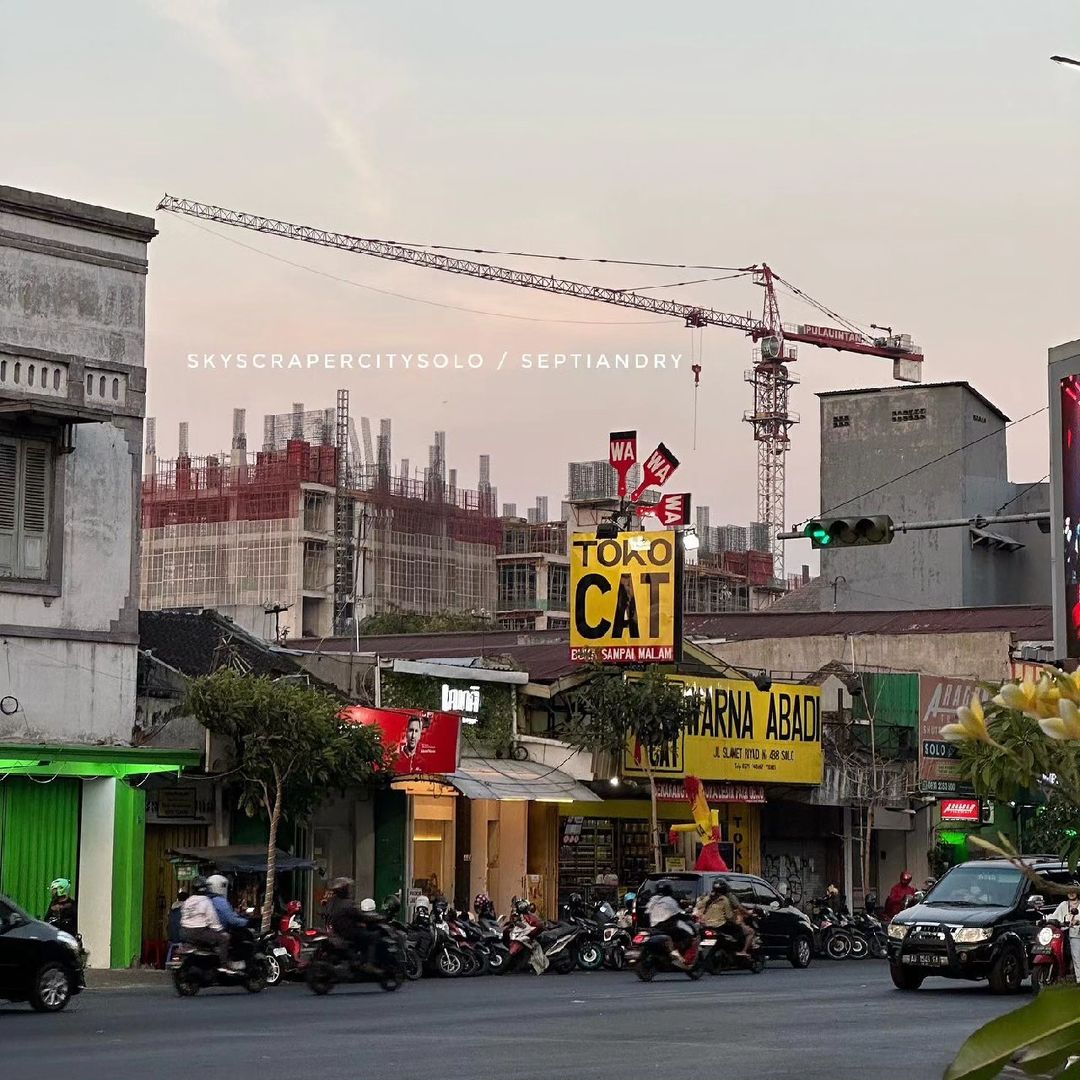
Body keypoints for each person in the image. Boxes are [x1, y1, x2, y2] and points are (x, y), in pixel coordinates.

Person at [179, 877, 230, 971]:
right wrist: (221, 930)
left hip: (184, 932)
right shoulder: (206, 901)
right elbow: (213, 919)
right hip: (199, 932)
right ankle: (223, 965)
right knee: (224, 938)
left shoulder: (188, 901)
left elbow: (183, 916)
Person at [695, 880, 753, 958]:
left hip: (705, 924)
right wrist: (736, 920)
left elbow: (698, 907)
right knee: (742, 931)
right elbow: (730, 916)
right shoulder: (725, 899)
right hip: (719, 924)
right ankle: (740, 951)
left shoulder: (707, 897)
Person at [205, 874, 252, 970]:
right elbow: (231, 919)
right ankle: (234, 963)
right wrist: (246, 922)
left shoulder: (204, 899)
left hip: (205, 931)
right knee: (243, 942)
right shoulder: (220, 901)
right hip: (219, 931)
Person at [644, 882, 693, 966]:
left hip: (653, 927)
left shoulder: (653, 899)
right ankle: (676, 953)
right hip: (665, 927)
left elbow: (646, 912)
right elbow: (679, 913)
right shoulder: (669, 900)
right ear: (669, 890)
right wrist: (688, 916)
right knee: (686, 934)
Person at [1050, 883, 1080, 983]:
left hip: (1077, 933)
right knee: (1074, 956)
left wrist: (1077, 921)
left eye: (1073, 890)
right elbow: (1054, 916)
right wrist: (1045, 919)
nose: (1071, 893)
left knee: (1077, 956)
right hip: (1067, 934)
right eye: (1068, 890)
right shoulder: (1063, 905)